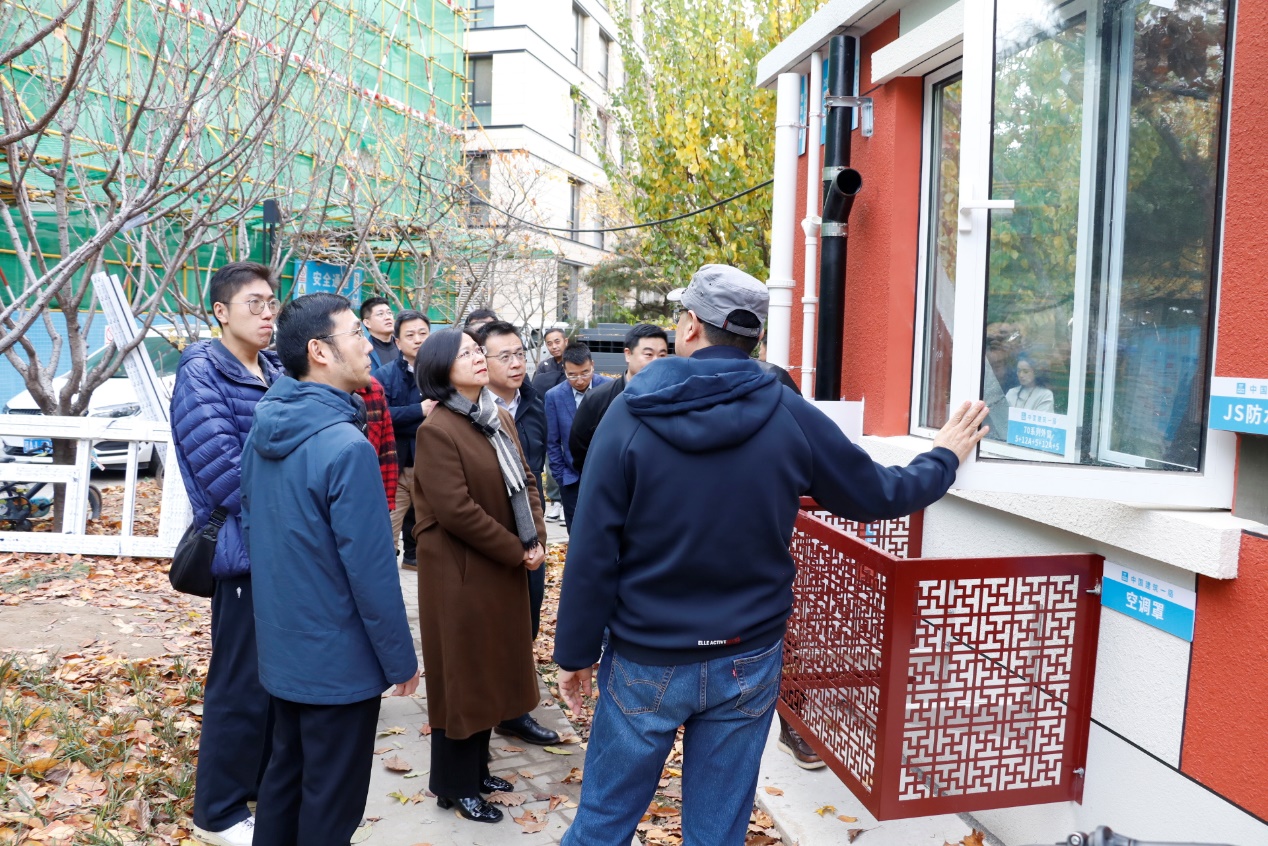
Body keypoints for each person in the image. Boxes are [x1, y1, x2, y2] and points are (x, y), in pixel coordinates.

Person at [551, 264, 989, 846]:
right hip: (747, 655)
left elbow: (592, 548)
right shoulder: (788, 413)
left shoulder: (630, 413)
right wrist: (944, 457)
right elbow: (881, 494)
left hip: (647, 655)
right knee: (717, 834)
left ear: (689, 326)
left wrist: (575, 652)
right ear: (754, 337)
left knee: (603, 824)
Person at [241, 293, 419, 846]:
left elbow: (254, 528)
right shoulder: (346, 446)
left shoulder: (264, 427)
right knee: (330, 804)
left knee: (285, 781)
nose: (367, 346)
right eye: (356, 335)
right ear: (320, 351)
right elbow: (371, 572)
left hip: (283, 647)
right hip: (339, 662)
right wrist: (400, 659)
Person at [411, 328, 548, 824]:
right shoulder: (438, 428)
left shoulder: (496, 415)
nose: (476, 357)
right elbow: (457, 511)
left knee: (492, 670)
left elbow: (526, 480)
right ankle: (454, 785)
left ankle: (478, 769)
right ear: (441, 369)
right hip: (460, 571)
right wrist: (517, 549)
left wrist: (536, 539)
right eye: (465, 352)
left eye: (476, 350)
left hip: (501, 565)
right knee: (463, 677)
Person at [170, 261, 284, 846]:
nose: (267, 314)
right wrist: (298, 500)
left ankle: (257, 787)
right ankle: (216, 812)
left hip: (281, 547)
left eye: (272, 304)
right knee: (238, 685)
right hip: (242, 550)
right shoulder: (201, 372)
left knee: (272, 681)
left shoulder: (274, 368)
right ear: (221, 311)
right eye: (254, 304)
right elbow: (221, 476)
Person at [475, 320, 559, 747]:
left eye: (520, 354)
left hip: (530, 534)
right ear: (481, 360)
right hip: (489, 538)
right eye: (504, 356)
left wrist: (537, 537)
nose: (516, 363)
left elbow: (532, 476)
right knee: (489, 630)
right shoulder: (468, 409)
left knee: (526, 622)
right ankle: (482, 711)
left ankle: (512, 711)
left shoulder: (534, 400)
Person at [372, 310, 432, 570]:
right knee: (386, 532)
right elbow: (379, 417)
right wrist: (419, 411)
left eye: (423, 333)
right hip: (395, 466)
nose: (418, 339)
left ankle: (417, 565)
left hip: (429, 464)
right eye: (410, 335)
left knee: (429, 528)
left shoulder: (441, 373)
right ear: (397, 342)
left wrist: (403, 417)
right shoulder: (383, 376)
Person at [569, 324, 669, 476]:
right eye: (648, 354)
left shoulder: (672, 398)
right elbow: (580, 450)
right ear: (628, 354)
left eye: (662, 355)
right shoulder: (597, 399)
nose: (656, 362)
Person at [543, 342, 610, 530]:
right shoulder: (554, 396)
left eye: (585, 373)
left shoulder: (610, 388)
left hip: (606, 475)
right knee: (576, 530)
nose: (579, 380)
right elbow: (552, 441)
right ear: (564, 370)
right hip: (571, 477)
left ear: (592, 365)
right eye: (572, 375)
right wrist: (561, 476)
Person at [531, 327, 568, 523]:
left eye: (557, 341)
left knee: (569, 460)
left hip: (570, 419)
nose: (554, 346)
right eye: (549, 343)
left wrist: (551, 381)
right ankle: (556, 501)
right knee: (551, 462)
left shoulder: (573, 360)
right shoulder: (545, 365)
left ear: (566, 341)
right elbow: (538, 388)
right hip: (549, 419)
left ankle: (567, 501)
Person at [356, 376, 398, 510]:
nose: (368, 366)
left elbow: (387, 449)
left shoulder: (374, 389)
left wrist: (387, 500)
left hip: (369, 495)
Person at [361, 297, 398, 369]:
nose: (388, 317)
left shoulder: (403, 347)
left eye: (389, 313)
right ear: (367, 323)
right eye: (380, 314)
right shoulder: (363, 351)